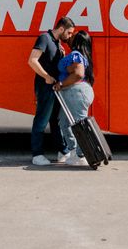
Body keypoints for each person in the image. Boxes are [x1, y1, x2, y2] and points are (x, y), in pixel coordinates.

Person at [27, 16, 75, 165]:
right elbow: (32, 60)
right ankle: (37, 155)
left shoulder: (57, 43)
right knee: (41, 119)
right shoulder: (44, 38)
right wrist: (46, 76)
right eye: (69, 32)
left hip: (55, 88)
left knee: (56, 120)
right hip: (45, 87)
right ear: (61, 29)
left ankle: (63, 151)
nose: (69, 36)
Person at [54, 30, 95, 167]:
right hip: (78, 92)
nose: (70, 37)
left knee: (80, 125)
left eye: (73, 36)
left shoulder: (76, 55)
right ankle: (74, 151)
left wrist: (60, 83)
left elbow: (78, 74)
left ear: (77, 41)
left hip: (75, 92)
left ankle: (82, 155)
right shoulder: (79, 55)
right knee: (64, 123)